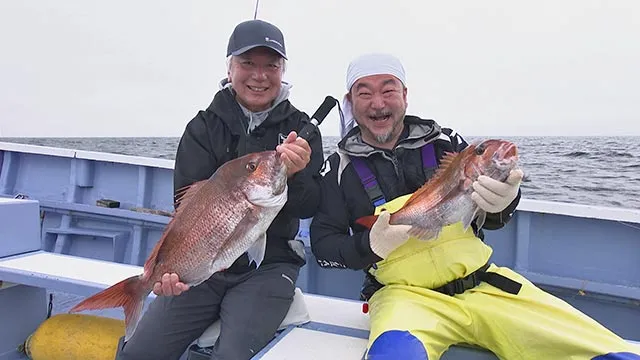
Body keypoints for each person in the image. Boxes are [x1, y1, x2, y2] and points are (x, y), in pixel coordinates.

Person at [309, 53, 640, 359]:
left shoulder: (447, 143)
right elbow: (324, 247)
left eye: (388, 90)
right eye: (364, 93)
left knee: (612, 353)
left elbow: (491, 218)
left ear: (405, 95)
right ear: (350, 102)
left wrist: (505, 202)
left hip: (486, 285)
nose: (378, 103)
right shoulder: (337, 169)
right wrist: (370, 245)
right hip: (403, 298)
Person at [117, 19, 324, 360]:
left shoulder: (301, 132)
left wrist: (297, 174)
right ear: (230, 67)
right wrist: (171, 274)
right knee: (139, 353)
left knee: (232, 355)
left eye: (271, 65)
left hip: (269, 267)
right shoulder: (201, 128)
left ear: (282, 70)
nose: (259, 76)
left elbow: (309, 206)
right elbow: (187, 210)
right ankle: (137, 295)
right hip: (204, 266)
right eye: (247, 64)